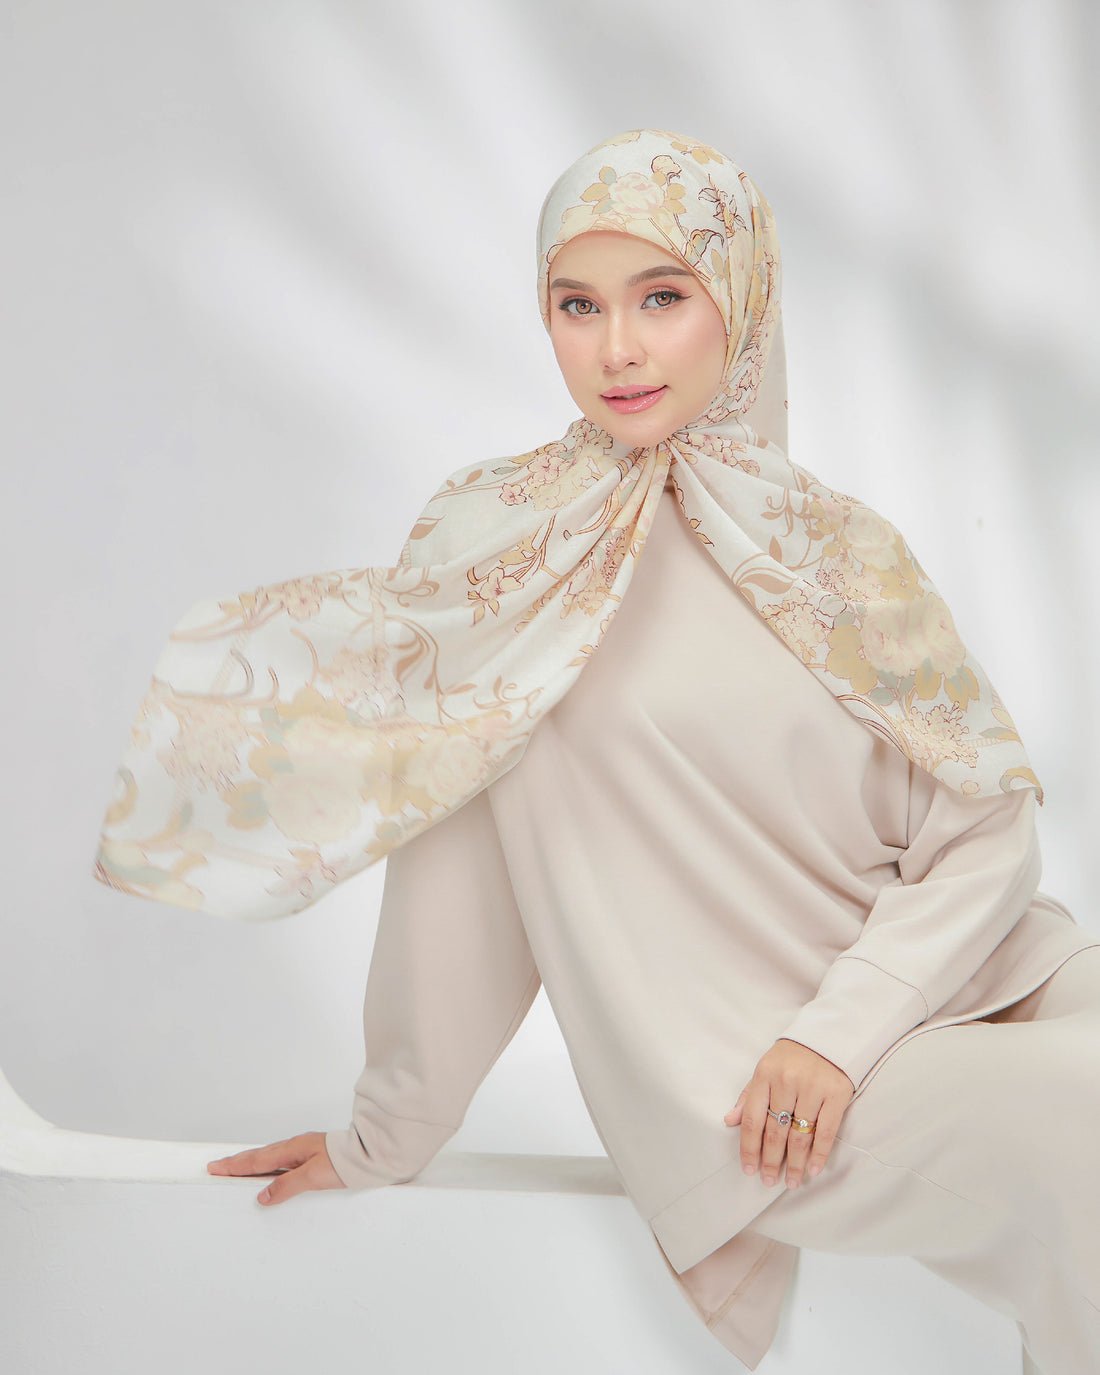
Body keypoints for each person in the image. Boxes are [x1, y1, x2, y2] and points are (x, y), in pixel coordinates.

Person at [96, 129, 1100, 1373]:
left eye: (661, 297)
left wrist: (847, 1023)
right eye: (577, 305)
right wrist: (383, 1134)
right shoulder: (505, 549)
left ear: (738, 299)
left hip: (980, 974)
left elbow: (983, 826)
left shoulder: (833, 544)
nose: (615, 347)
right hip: (757, 1078)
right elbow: (453, 867)